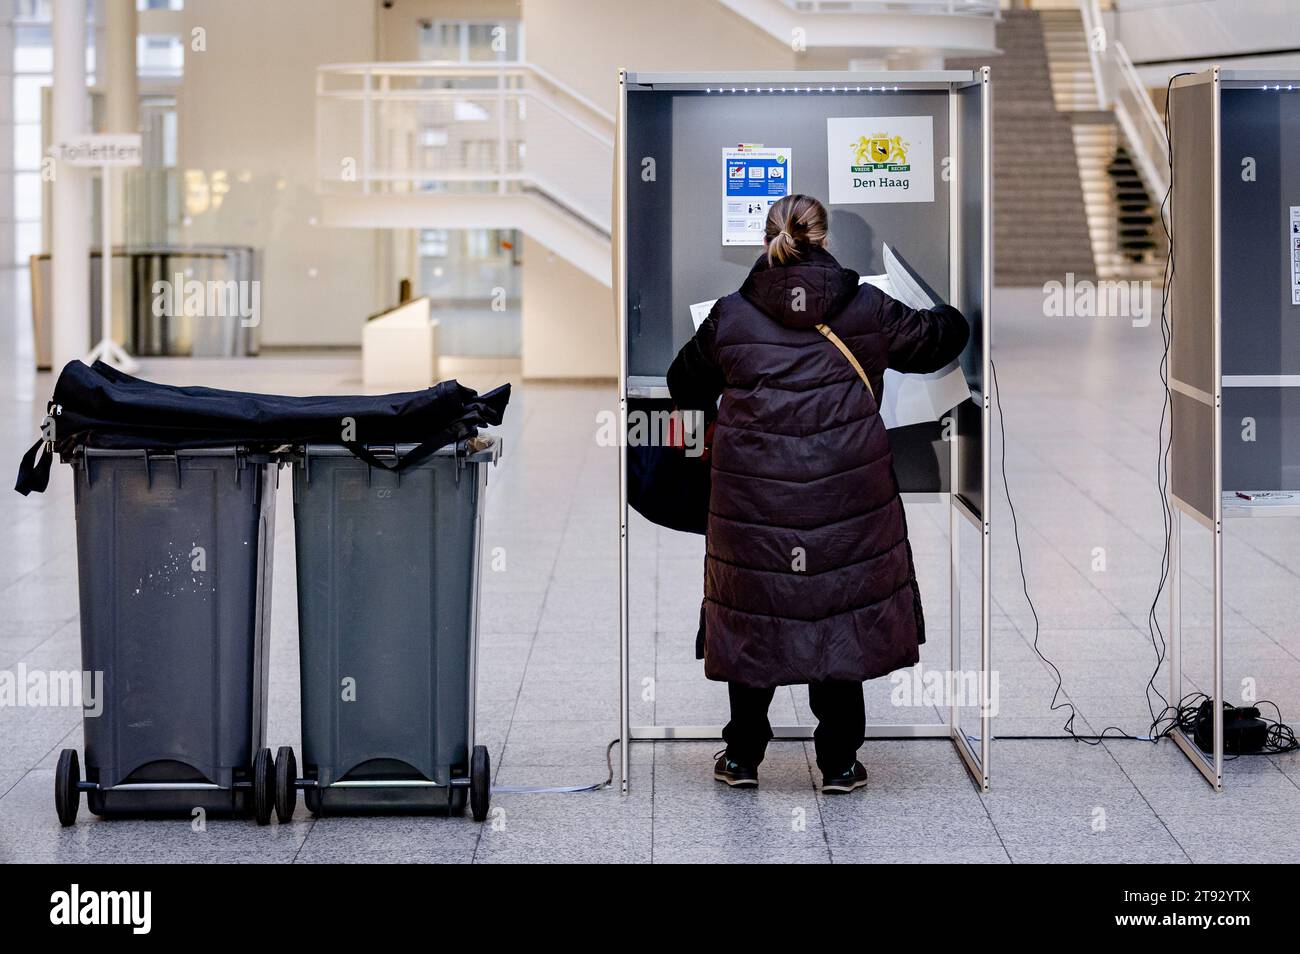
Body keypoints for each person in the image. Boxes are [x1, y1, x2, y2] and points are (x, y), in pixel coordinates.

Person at [666, 194, 969, 794]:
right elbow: (938, 342)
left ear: (767, 240)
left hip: (755, 499)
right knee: (838, 611)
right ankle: (838, 763)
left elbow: (682, 383)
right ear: (825, 241)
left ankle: (744, 757)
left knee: (758, 611)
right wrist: (953, 311)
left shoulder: (730, 315)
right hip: (847, 494)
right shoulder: (869, 308)